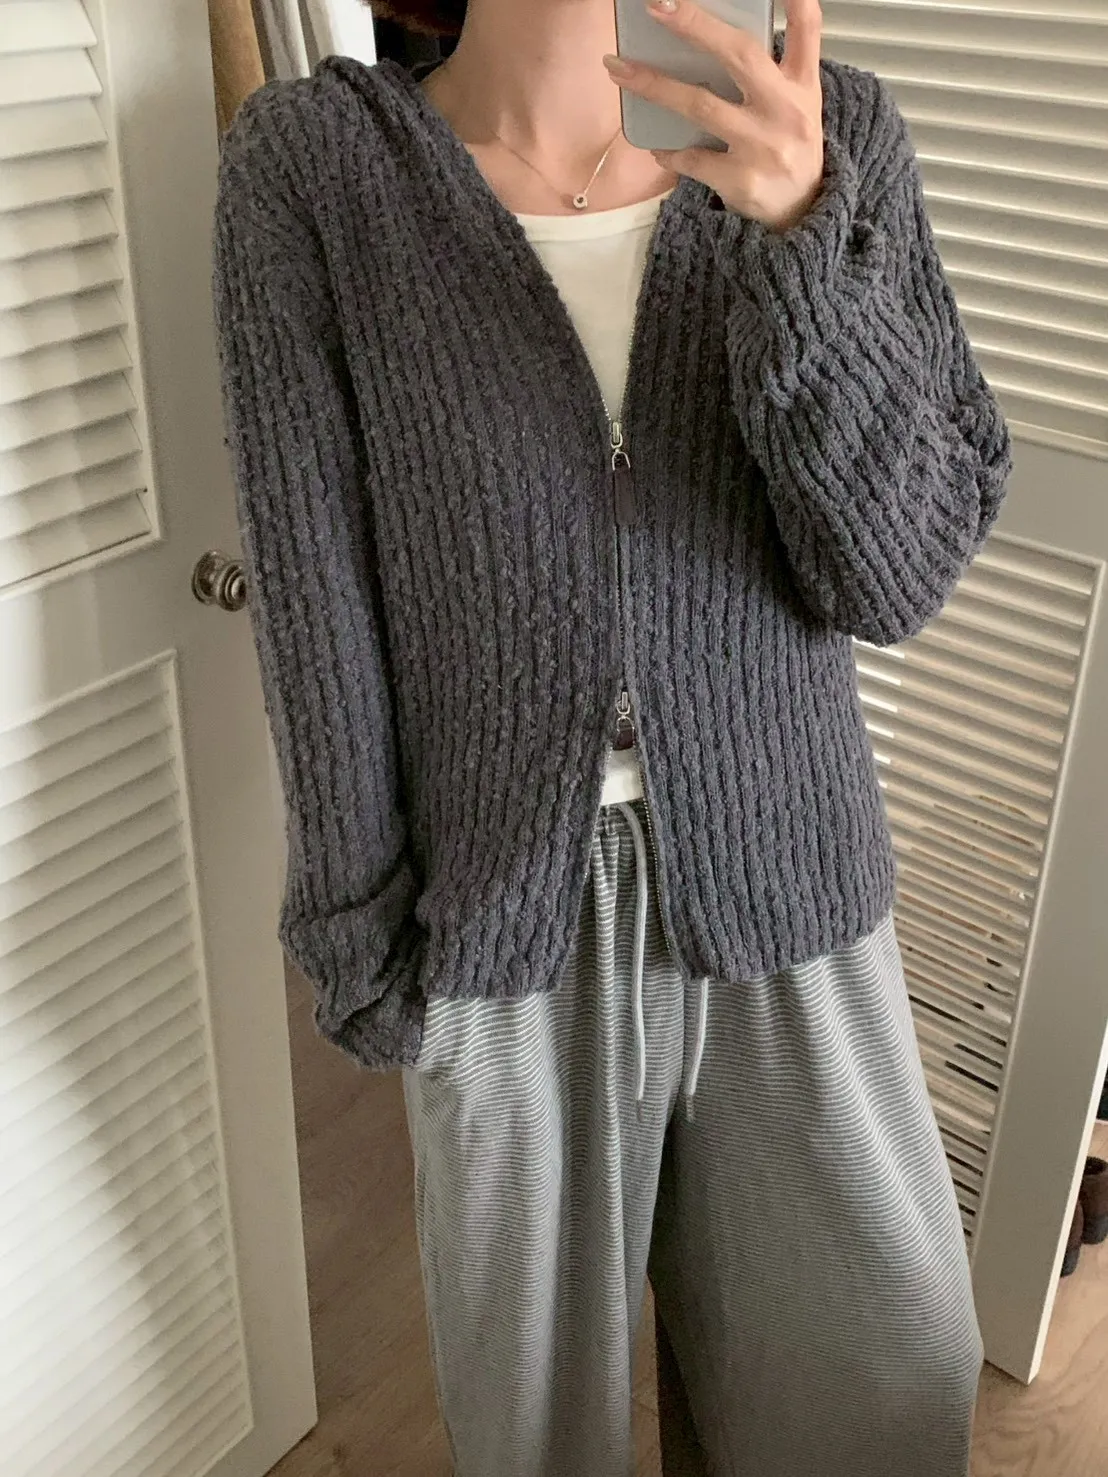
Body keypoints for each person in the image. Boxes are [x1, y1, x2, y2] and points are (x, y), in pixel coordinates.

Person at [211, 0, 1012, 1472]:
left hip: (791, 889)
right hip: (503, 920)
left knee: (880, 1390)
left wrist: (800, 242)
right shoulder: (318, 170)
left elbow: (899, 577)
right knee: (536, 1432)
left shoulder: (838, 139)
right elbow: (313, 588)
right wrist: (355, 924)